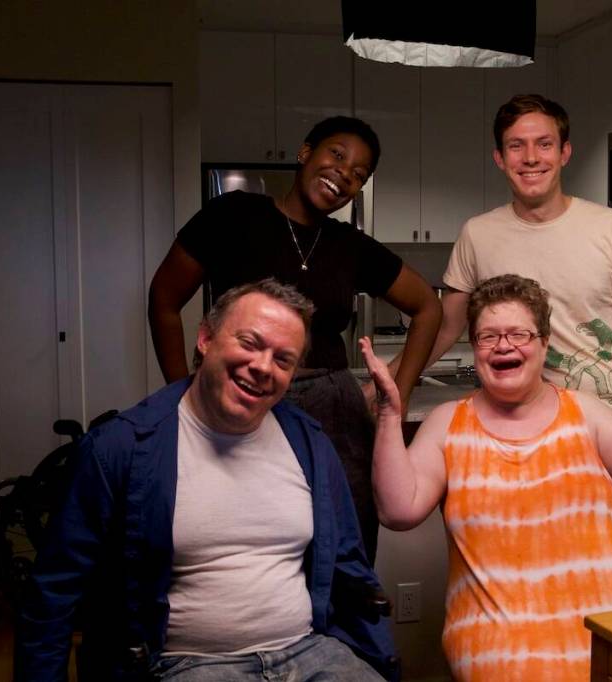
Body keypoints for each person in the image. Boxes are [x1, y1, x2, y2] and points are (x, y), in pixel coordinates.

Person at [16, 279, 397, 682]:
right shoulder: (118, 448)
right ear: (205, 338)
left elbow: (349, 564)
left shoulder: (310, 444)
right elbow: (53, 595)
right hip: (186, 665)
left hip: (310, 652)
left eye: (283, 360)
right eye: (249, 343)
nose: (263, 367)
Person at [361, 274, 612, 681]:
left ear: (544, 344)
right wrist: (390, 416)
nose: (504, 345)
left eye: (519, 334)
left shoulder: (584, 411)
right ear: (475, 348)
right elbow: (397, 510)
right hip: (502, 637)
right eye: (488, 336)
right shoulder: (448, 424)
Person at [149, 116, 441, 561]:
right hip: (242, 400)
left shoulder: (350, 246)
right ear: (305, 153)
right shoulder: (234, 215)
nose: (344, 173)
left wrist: (393, 400)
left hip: (334, 415)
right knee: (242, 541)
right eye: (337, 155)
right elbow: (164, 299)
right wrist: (179, 394)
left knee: (344, 545)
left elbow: (428, 307)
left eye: (359, 173)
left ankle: (341, 633)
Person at [423, 93, 612, 569]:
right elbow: (446, 326)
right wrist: (391, 381)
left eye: (544, 144)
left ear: (565, 152)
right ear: (499, 158)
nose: (531, 158)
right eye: (516, 146)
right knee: (535, 574)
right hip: (519, 428)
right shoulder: (478, 233)